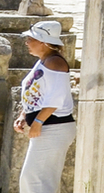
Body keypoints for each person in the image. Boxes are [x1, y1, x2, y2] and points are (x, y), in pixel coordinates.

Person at [14, 21, 73, 193]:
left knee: (35, 180)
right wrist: (24, 115)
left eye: (30, 39)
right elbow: (37, 94)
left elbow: (57, 98)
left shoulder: (55, 63)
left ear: (43, 42)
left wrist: (38, 121)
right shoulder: (45, 61)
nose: (26, 42)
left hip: (54, 127)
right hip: (48, 127)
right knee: (35, 179)